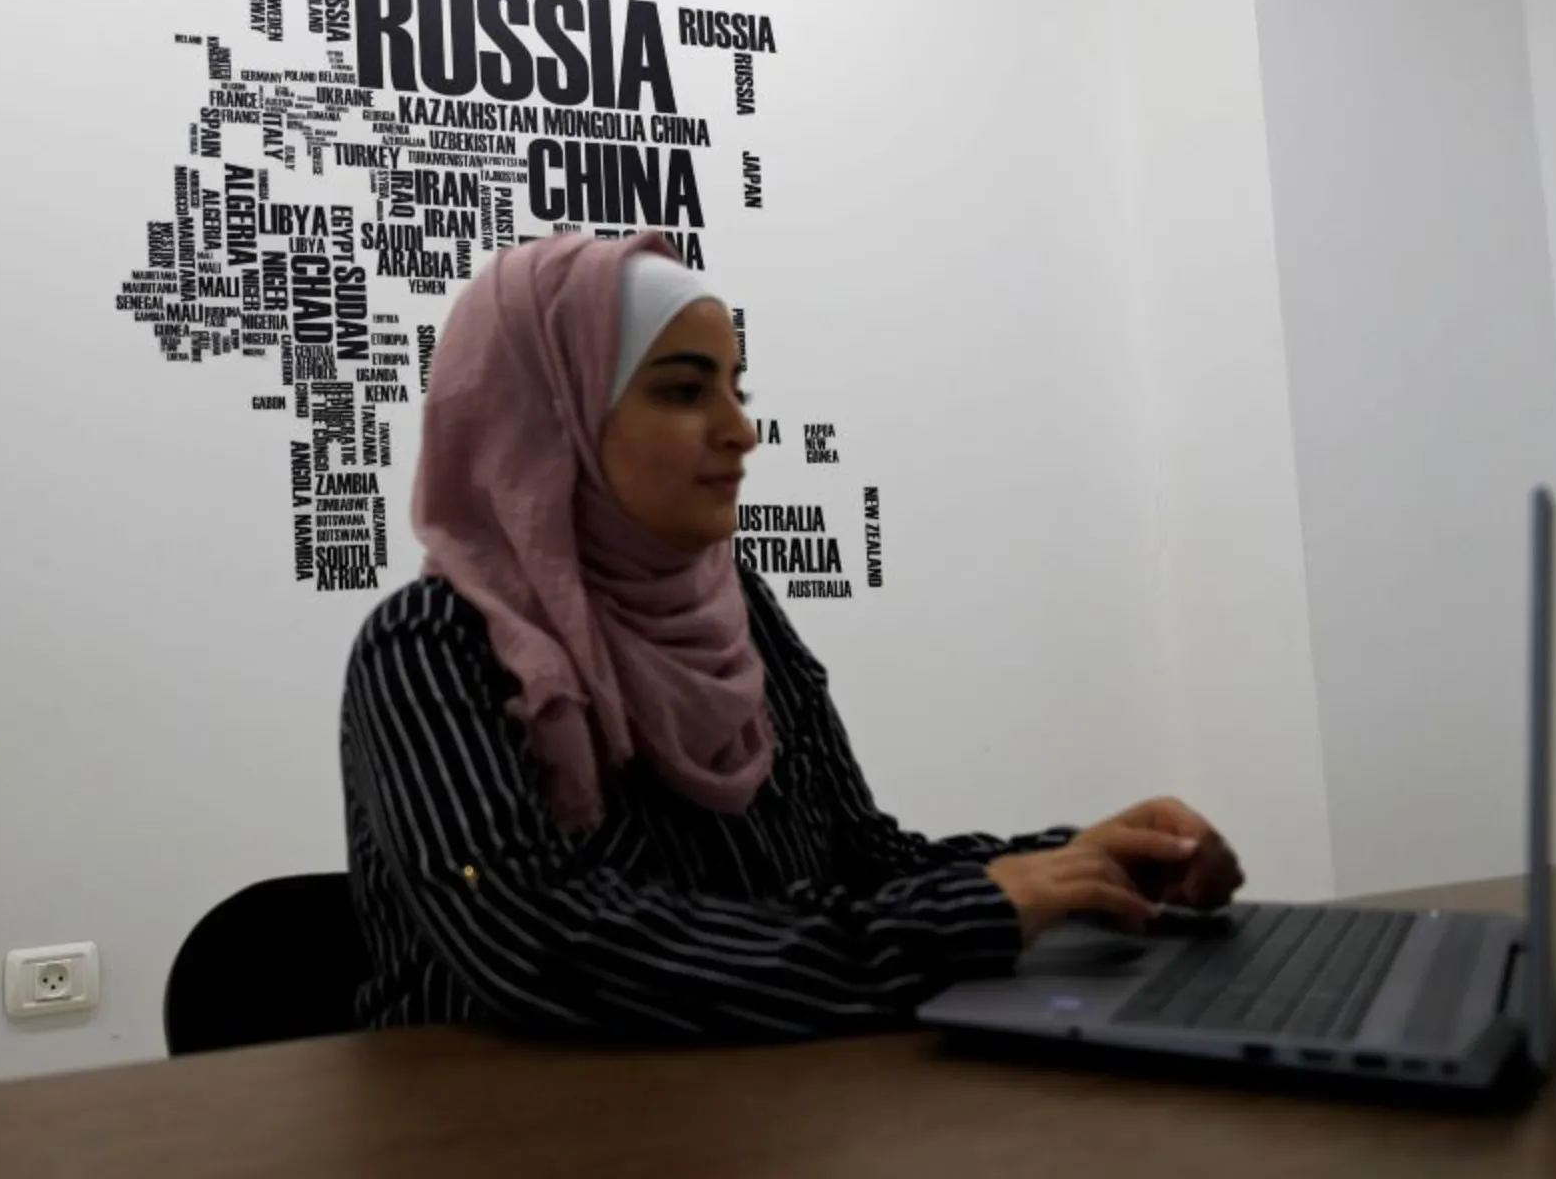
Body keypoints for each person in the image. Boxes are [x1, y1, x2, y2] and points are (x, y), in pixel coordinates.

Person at [338, 231, 1243, 1038]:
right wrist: (971, 916)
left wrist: (1072, 866)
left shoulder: (741, 617)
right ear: (552, 419)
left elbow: (861, 858)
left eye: (736, 389)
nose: (741, 430)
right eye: (686, 390)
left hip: (758, 1109)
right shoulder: (428, 647)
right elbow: (540, 941)